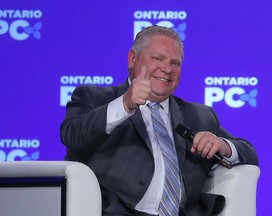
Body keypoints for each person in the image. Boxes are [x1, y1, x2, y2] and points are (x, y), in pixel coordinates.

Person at [60, 25, 258, 216]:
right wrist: (125, 104)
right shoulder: (95, 97)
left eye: (175, 63)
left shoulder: (199, 115)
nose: (167, 69)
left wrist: (222, 145)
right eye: (157, 58)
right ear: (132, 59)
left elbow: (249, 152)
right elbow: (72, 135)